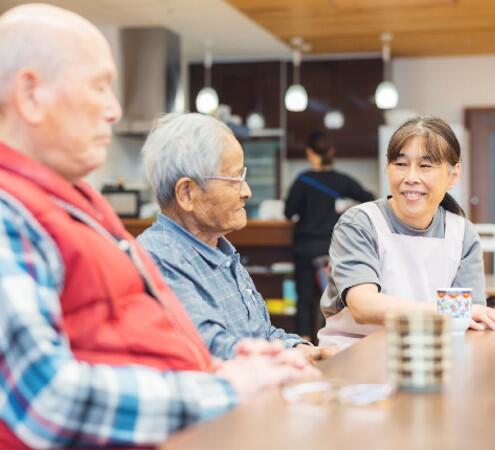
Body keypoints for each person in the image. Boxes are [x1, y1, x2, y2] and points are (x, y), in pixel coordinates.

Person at [0, 5, 317, 448]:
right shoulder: (8, 211)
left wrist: (225, 370)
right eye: (99, 87)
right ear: (31, 94)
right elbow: (47, 401)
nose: (114, 110)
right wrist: (226, 388)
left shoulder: (76, 203)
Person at [137, 113, 335, 362]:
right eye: (233, 180)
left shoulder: (221, 251)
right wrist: (288, 360)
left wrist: (301, 349)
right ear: (187, 193)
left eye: (243, 177)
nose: (247, 191)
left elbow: (262, 335)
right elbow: (213, 349)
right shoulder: (159, 258)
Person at [317, 117, 495, 347]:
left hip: (431, 357)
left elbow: (471, 319)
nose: (410, 178)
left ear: (454, 176)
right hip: (354, 353)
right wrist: (449, 312)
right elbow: (363, 306)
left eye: (425, 166)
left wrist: (461, 316)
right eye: (400, 164)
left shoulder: (462, 234)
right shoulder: (360, 223)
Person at [285, 131, 374, 338]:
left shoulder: (303, 180)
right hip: (333, 250)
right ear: (331, 152)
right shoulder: (342, 181)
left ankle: (304, 343)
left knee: (304, 299)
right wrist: (346, 209)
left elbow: (289, 211)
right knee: (335, 300)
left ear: (310, 153)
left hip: (305, 249)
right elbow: (369, 198)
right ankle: (334, 340)